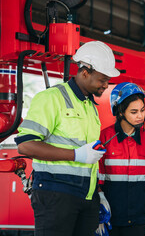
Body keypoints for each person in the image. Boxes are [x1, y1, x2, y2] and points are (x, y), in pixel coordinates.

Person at [14, 41, 120, 236]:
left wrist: (98, 194)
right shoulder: (51, 98)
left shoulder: (90, 107)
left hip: (86, 198)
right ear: (85, 72)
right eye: (103, 79)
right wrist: (75, 154)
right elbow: (25, 146)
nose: (106, 85)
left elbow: (89, 159)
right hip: (56, 196)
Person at [97, 82, 145, 236]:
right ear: (120, 112)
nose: (140, 116)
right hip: (110, 219)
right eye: (134, 112)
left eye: (142, 110)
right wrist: (97, 213)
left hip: (138, 220)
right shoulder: (104, 137)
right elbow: (97, 179)